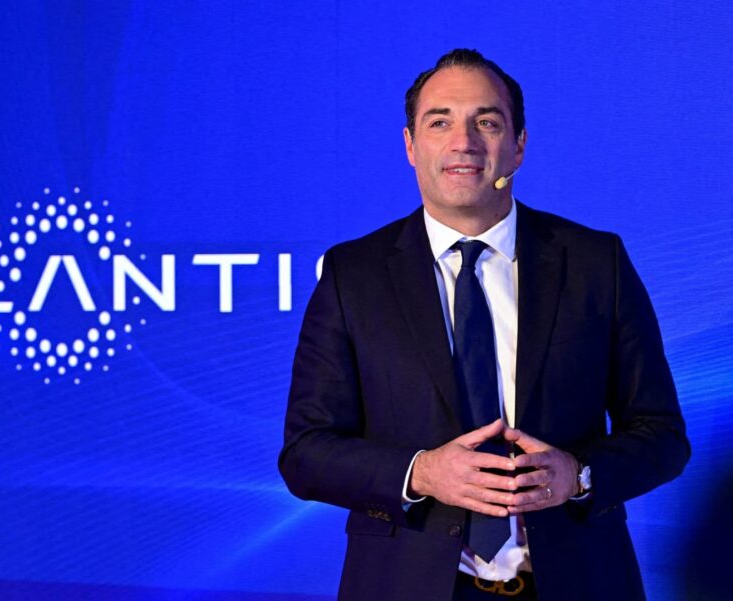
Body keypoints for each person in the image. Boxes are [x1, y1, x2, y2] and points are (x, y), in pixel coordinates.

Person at [278, 49, 689, 601]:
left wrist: (579, 475)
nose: (464, 142)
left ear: (519, 145)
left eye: (487, 122)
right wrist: (421, 473)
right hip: (406, 585)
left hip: (577, 582)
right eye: (440, 122)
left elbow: (662, 436)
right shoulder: (353, 275)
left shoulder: (596, 263)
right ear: (410, 145)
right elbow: (306, 453)